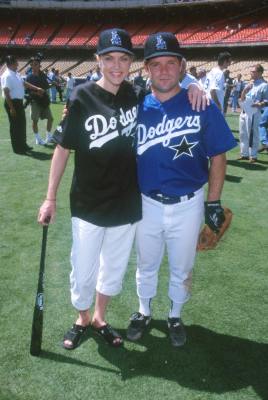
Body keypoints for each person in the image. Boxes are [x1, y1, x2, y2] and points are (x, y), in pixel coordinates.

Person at [38, 28, 208, 351]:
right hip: (88, 203)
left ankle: (100, 318)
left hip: (126, 206)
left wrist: (196, 85)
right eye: (109, 58)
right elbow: (62, 149)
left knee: (112, 270)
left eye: (123, 59)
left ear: (131, 62)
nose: (116, 66)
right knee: (83, 269)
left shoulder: (136, 94)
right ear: (98, 60)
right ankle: (82, 317)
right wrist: (49, 198)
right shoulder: (80, 96)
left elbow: (169, 82)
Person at [126, 32, 237, 347]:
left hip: (189, 203)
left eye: (170, 63)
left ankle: (175, 315)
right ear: (146, 68)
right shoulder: (135, 107)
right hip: (146, 202)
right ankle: (143, 310)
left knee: (182, 265)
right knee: (145, 263)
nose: (163, 71)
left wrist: (213, 202)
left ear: (181, 67)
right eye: (156, 64)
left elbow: (218, 154)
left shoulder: (199, 103)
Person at [1, 55, 44, 154]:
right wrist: (11, 108)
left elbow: (24, 83)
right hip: (12, 103)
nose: (18, 64)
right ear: (11, 63)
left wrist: (37, 88)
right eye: (16, 62)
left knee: (22, 125)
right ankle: (17, 148)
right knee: (15, 126)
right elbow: (6, 92)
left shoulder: (15, 73)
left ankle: (23, 145)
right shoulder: (7, 75)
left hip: (18, 103)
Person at [238, 64, 268, 163]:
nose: (251, 73)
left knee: (253, 134)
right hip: (244, 111)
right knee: (243, 134)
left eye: (253, 71)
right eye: (251, 71)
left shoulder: (264, 85)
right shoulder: (249, 84)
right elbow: (242, 98)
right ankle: (244, 154)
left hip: (254, 112)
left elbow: (266, 100)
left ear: (259, 73)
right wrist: (244, 91)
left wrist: (260, 103)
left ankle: (253, 155)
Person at [26, 57, 54, 145]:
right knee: (35, 121)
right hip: (35, 102)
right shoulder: (29, 77)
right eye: (32, 65)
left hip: (44, 101)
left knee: (50, 118)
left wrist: (52, 84)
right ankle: (37, 138)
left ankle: (49, 137)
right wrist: (36, 93)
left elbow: (45, 87)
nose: (33, 66)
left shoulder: (43, 75)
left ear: (39, 66)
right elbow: (27, 92)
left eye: (35, 64)